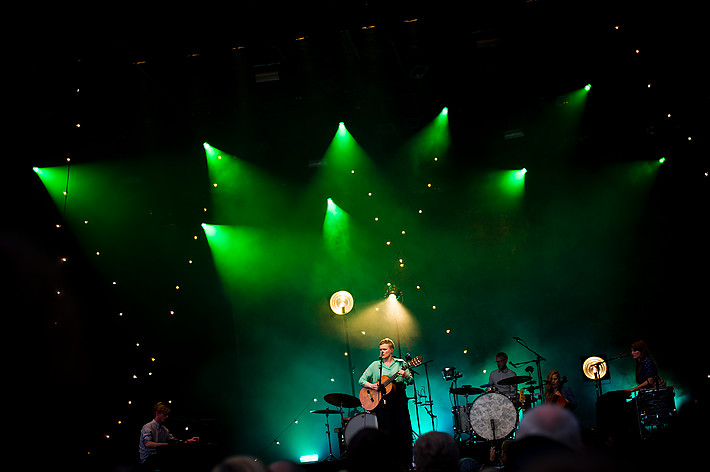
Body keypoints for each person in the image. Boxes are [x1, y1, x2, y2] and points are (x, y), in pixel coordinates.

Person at [359, 337, 414, 470]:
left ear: (391, 350)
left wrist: (405, 375)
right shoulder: (375, 365)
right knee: (386, 431)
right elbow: (361, 380)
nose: (382, 352)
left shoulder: (400, 363)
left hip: (399, 399)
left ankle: (406, 463)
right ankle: (390, 464)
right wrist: (372, 386)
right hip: (382, 402)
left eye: (384, 349)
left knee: (403, 429)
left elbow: (411, 380)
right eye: (380, 349)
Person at [138, 402, 199, 470]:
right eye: (164, 414)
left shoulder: (165, 430)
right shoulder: (148, 427)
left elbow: (174, 441)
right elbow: (148, 444)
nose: (167, 416)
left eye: (167, 414)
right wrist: (166, 444)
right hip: (147, 459)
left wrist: (188, 441)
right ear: (157, 413)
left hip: (157, 457)